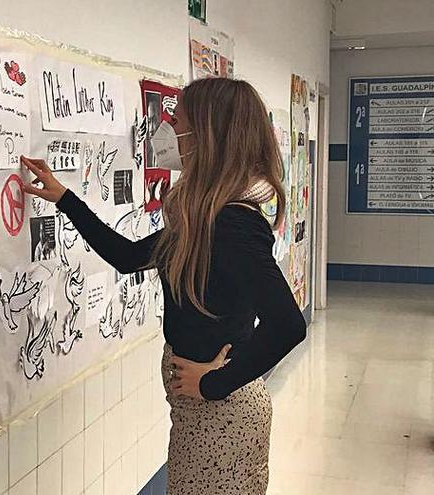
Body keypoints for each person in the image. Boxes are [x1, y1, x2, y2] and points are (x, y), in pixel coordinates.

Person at [21, 77, 307, 494]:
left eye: (178, 120)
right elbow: (127, 257)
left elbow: (287, 324)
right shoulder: (201, 219)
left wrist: (213, 384)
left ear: (207, 135)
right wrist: (65, 197)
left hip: (221, 416)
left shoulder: (232, 223)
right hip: (200, 414)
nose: (166, 129)